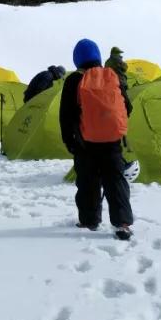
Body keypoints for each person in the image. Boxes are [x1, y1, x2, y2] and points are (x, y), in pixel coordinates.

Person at [59, 38, 135, 241]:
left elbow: (66, 114)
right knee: (116, 181)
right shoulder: (112, 76)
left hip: (85, 142)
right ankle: (123, 223)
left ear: (77, 59)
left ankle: (89, 220)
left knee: (87, 181)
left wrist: (69, 141)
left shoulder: (74, 80)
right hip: (112, 141)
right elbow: (128, 106)